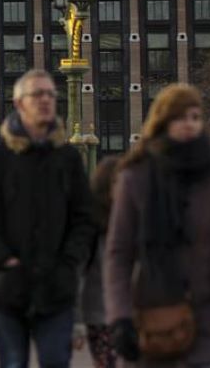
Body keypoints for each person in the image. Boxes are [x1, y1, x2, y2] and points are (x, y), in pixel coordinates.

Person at [105, 83, 210, 368]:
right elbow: (119, 254)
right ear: (163, 121)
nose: (189, 124)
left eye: (195, 117)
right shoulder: (135, 177)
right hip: (154, 318)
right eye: (180, 117)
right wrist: (120, 319)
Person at [0, 69, 95, 368]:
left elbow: (84, 218)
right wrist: (2, 258)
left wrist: (70, 259)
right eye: (38, 94)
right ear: (19, 103)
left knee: (55, 361)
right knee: (13, 362)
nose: (46, 100)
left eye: (51, 94)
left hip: (56, 285)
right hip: (8, 287)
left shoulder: (68, 157)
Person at [78, 156, 119, 368]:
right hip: (100, 314)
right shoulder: (93, 225)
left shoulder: (134, 217)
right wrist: (75, 323)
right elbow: (79, 272)